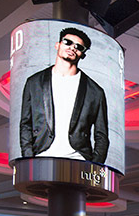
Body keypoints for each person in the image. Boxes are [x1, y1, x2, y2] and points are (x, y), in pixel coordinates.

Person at [17, 27, 109, 164]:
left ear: (82, 54)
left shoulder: (95, 91)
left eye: (78, 47)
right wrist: (28, 157)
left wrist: (95, 165)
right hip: (42, 156)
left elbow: (101, 135)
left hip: (79, 160)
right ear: (58, 45)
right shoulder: (34, 82)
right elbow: (25, 124)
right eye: (67, 42)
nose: (72, 48)